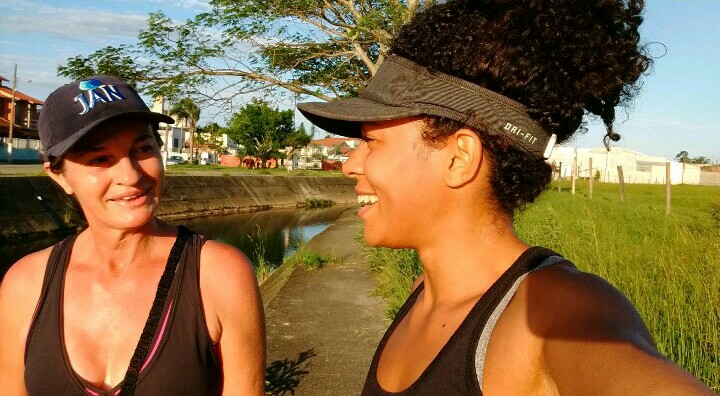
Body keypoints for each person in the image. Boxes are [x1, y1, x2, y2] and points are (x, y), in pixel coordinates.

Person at [298, 0, 714, 394]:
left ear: (460, 157)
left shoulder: (553, 313)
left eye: (372, 142)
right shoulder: (423, 291)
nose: (351, 163)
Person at [0, 76, 265, 395]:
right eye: (99, 159)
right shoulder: (23, 285)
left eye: (142, 148)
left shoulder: (220, 275)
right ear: (60, 176)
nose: (130, 175)